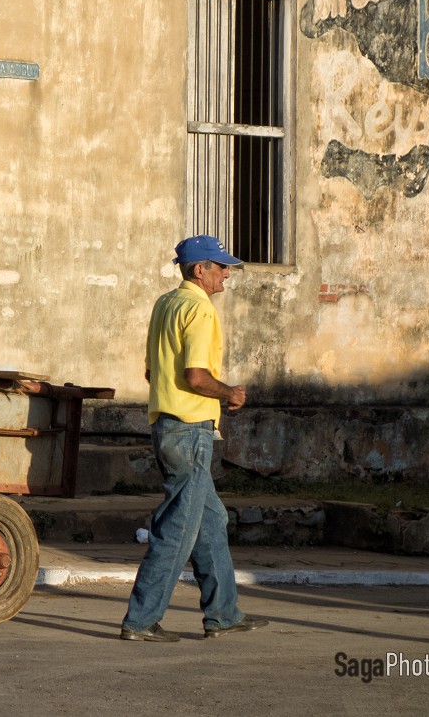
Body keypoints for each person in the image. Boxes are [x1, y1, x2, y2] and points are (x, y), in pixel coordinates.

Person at [120, 235, 269, 642]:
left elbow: (154, 373)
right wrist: (230, 393)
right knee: (177, 529)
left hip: (168, 426)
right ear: (198, 270)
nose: (226, 273)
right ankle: (141, 620)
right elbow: (196, 376)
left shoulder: (166, 304)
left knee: (211, 520)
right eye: (220, 266)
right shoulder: (200, 310)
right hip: (190, 430)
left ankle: (223, 613)